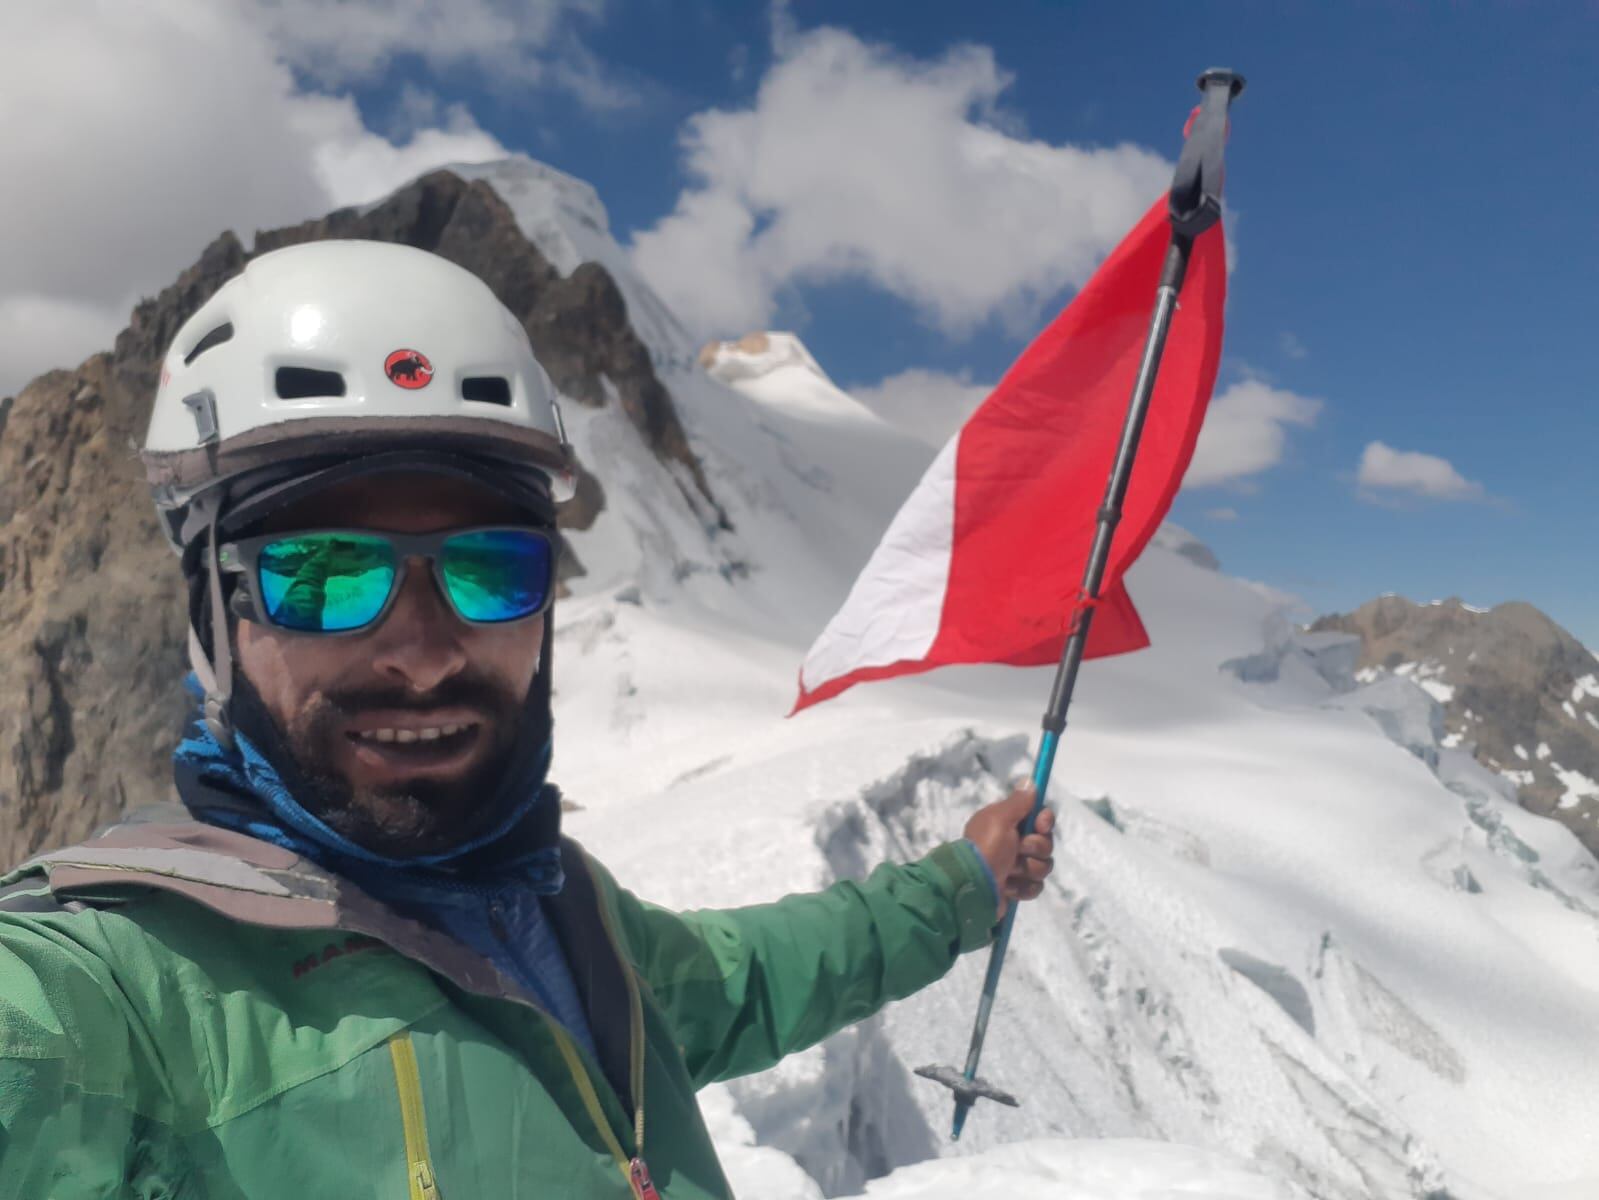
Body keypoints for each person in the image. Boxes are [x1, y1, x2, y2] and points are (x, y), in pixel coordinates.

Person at [0, 241, 1056, 1197]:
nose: (420, 654)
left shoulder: (565, 915)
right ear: (210, 617)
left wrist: (963, 884)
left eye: (492, 570)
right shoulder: (126, 992)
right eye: (322, 576)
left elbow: (744, 981)